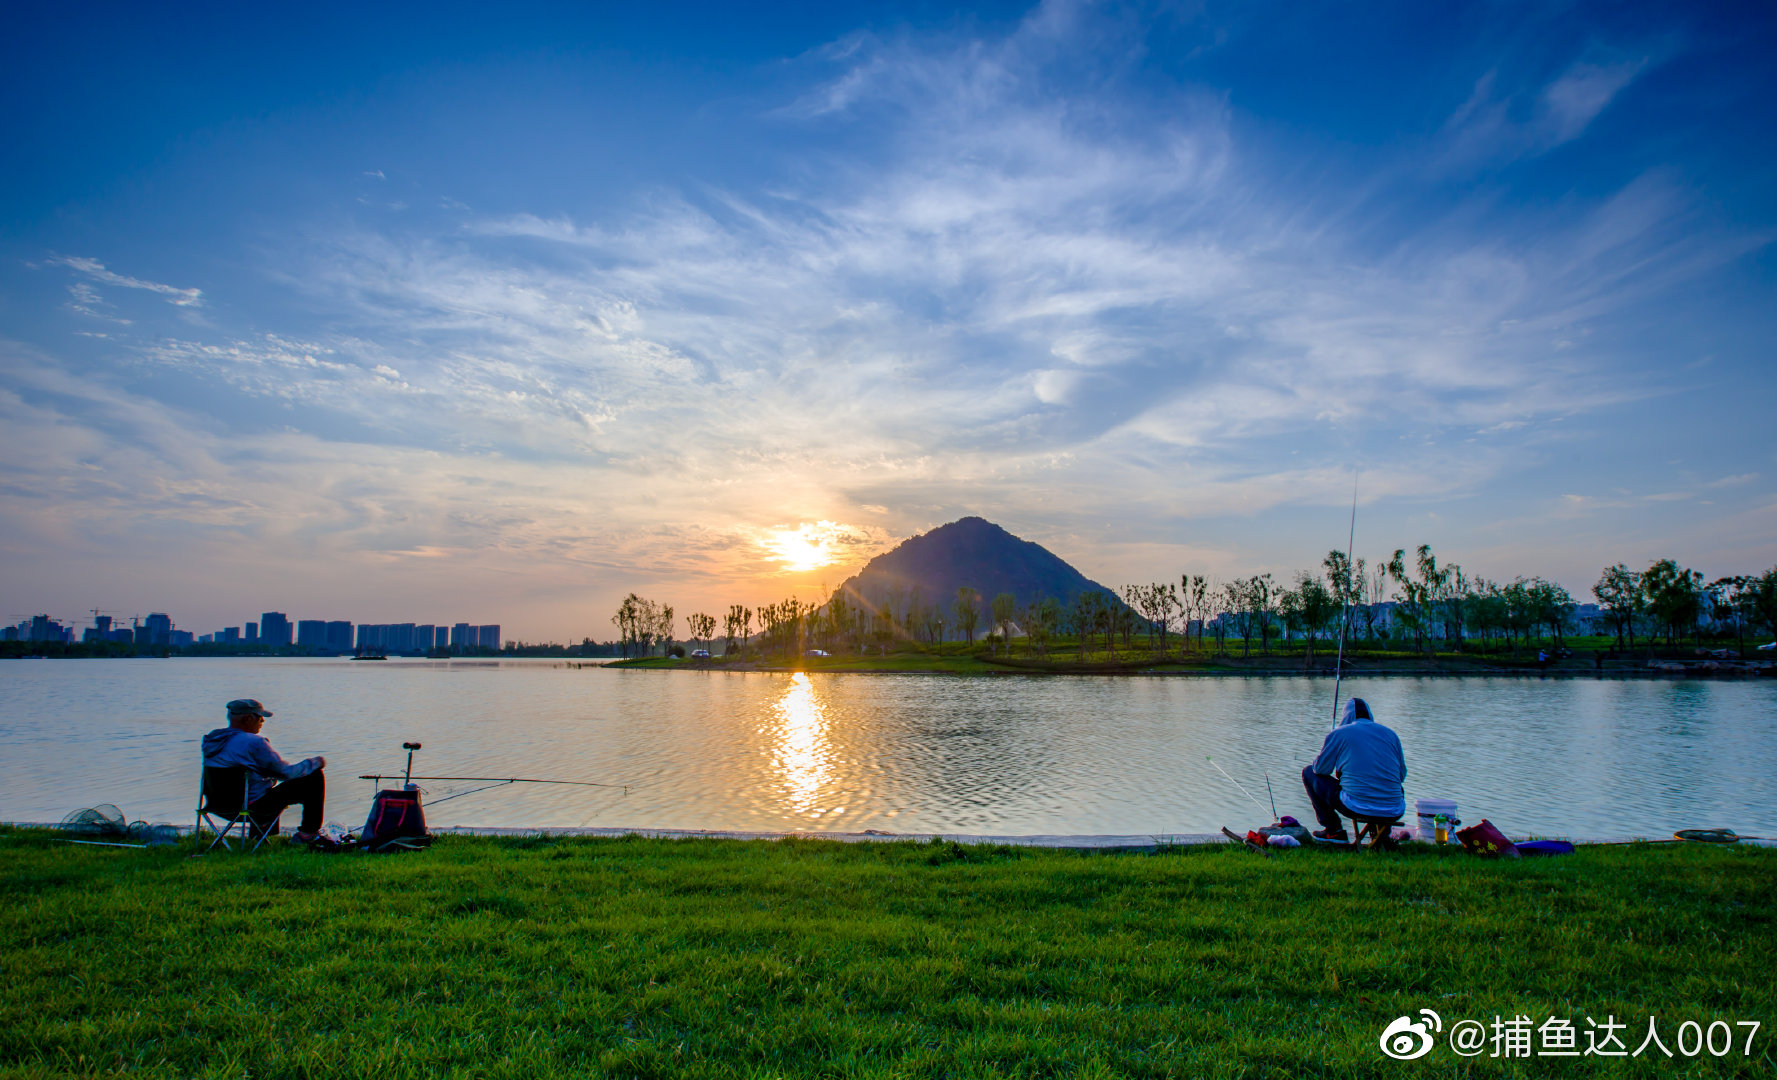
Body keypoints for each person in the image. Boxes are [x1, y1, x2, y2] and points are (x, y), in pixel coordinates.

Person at [202, 698, 328, 845]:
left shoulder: (213, 740)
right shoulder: (254, 742)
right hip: (250, 808)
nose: (262, 721)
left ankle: (259, 834)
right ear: (248, 718)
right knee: (313, 777)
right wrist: (314, 762)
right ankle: (307, 835)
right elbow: (284, 773)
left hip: (217, 806)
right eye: (260, 717)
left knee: (261, 783)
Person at [1300, 697, 1406, 842]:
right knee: (1394, 787)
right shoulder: (1391, 734)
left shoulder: (1339, 733)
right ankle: (1381, 834)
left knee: (1308, 772)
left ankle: (1333, 830)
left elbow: (1319, 770)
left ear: (1345, 717)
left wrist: (1329, 748)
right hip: (1394, 810)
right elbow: (1401, 776)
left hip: (1355, 806)